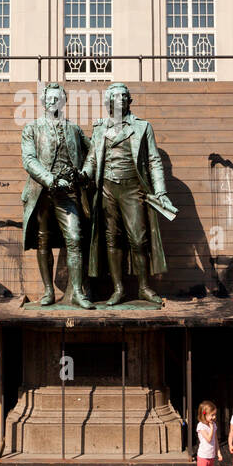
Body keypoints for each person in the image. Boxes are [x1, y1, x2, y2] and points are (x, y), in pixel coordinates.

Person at [79, 82, 177, 305]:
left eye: (124, 96)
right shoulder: (99, 129)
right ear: (108, 102)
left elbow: (154, 161)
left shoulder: (143, 127)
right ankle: (118, 289)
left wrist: (160, 190)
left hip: (133, 188)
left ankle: (143, 287)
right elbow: (92, 159)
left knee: (138, 239)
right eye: (116, 97)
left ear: (129, 101)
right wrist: (84, 175)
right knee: (112, 239)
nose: (121, 100)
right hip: (106, 189)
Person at [20, 82, 93, 308]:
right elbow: (29, 160)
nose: (53, 102)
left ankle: (78, 293)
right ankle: (48, 291)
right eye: (49, 99)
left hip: (68, 193)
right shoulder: (31, 129)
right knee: (43, 240)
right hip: (42, 192)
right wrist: (50, 179)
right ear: (43, 102)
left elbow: (93, 152)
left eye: (57, 99)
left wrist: (85, 173)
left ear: (63, 101)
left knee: (74, 239)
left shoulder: (75, 129)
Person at [193, 400, 223, 466]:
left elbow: (215, 440)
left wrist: (218, 452)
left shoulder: (213, 425)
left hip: (211, 455)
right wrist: (211, 428)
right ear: (204, 414)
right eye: (212, 415)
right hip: (203, 456)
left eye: (215, 415)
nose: (214, 417)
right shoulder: (201, 426)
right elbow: (209, 438)